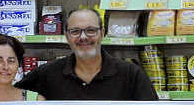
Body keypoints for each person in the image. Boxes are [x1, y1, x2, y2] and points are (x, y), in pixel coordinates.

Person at [16, 6, 158, 100]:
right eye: (75, 31)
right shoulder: (47, 73)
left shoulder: (131, 74)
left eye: (91, 30)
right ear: (67, 36)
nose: (83, 37)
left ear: (102, 34)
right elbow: (10, 96)